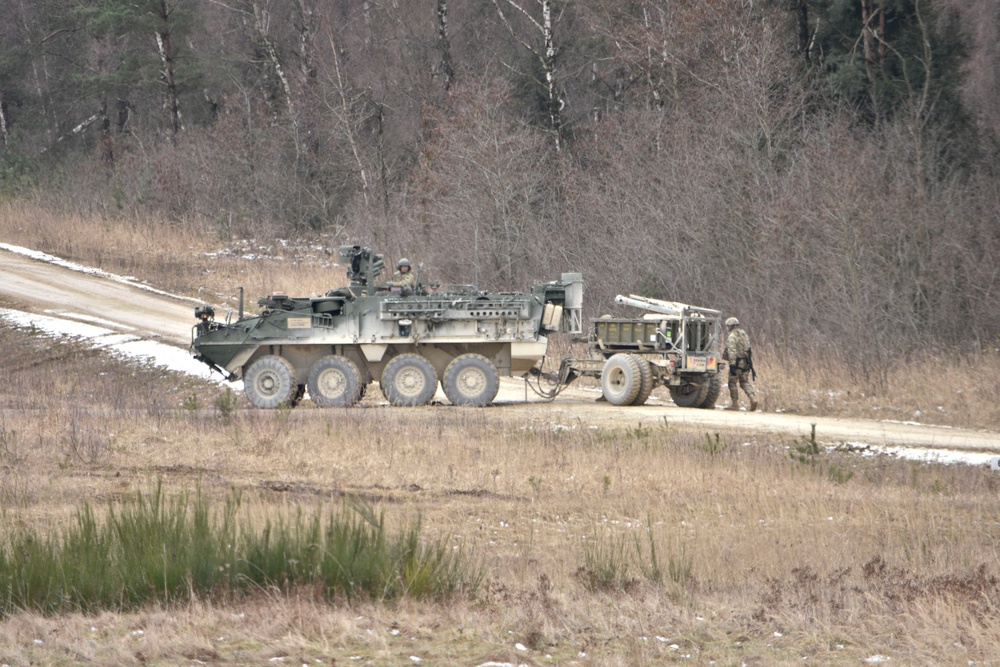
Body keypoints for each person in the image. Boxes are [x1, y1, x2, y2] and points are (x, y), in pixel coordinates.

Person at [724, 316, 758, 411]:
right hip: (746, 363)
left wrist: (732, 364)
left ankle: (735, 404)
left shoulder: (732, 336)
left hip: (737, 363)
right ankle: (753, 399)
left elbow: (732, 351)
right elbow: (749, 349)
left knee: (732, 383)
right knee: (744, 382)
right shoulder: (744, 334)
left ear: (730, 326)